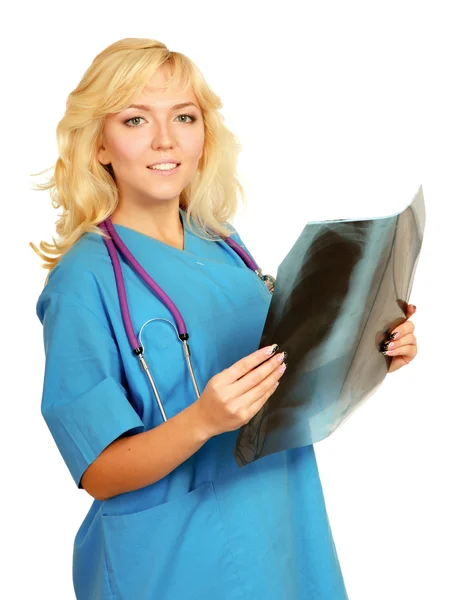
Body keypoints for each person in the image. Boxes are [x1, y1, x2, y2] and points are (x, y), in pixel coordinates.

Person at [31, 38, 418, 600]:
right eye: (136, 119)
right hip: (172, 559)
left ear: (204, 134)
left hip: (282, 527)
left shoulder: (224, 244)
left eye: (183, 117)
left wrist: (373, 342)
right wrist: (204, 420)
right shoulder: (83, 281)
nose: (166, 139)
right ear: (99, 146)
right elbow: (96, 470)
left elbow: (289, 379)